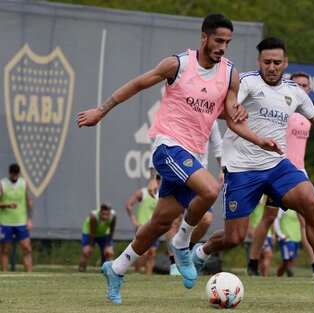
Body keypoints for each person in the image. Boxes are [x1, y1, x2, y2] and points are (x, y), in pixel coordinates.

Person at [77, 13, 281, 304]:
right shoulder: (178, 64)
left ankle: (117, 268)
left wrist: (258, 138)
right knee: (211, 189)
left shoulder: (230, 74)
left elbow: (232, 116)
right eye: (218, 40)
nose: (223, 47)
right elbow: (137, 84)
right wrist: (101, 110)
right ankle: (183, 242)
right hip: (168, 146)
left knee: (159, 221)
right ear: (204, 38)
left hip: (194, 154)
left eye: (228, 42)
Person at [191, 37, 314, 297]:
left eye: (277, 62)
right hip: (243, 169)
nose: (272, 67)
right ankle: (201, 251)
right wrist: (234, 110)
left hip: (277, 166)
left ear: (285, 63)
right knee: (234, 238)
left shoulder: (295, 92)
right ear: (259, 62)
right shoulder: (246, 82)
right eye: (267, 62)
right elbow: (223, 108)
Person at [247, 71, 314, 278]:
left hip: (299, 171)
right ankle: (253, 262)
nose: (301, 88)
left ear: (309, 89)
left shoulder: (309, 116)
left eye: (305, 85)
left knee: (307, 218)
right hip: (280, 170)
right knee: (268, 217)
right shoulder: (285, 110)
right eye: (296, 84)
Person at [149, 120, 224, 276]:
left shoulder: (211, 117)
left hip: (198, 177)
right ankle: (173, 264)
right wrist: (153, 178)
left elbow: (218, 146)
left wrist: (222, 169)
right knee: (171, 221)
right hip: (176, 169)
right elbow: (160, 142)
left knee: (206, 220)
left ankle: (184, 252)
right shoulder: (180, 111)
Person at [125, 175, 161, 274]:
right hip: (142, 227)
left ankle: (147, 278)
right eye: (154, 181)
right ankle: (137, 273)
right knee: (143, 253)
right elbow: (128, 205)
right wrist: (134, 220)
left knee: (152, 253)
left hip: (155, 228)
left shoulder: (161, 195)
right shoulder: (142, 193)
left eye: (158, 182)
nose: (156, 184)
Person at [0, 164, 33, 272]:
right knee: (4, 250)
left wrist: (30, 219)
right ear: (10, 173)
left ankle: (29, 275)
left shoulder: (23, 183)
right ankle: (4, 275)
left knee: (27, 249)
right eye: (13, 175)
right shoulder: (3, 184)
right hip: (6, 222)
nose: (15, 177)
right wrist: (7, 205)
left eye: (16, 175)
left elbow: (29, 202)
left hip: (21, 222)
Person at [78, 204, 116, 272]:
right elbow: (92, 232)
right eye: (103, 214)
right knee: (86, 252)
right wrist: (90, 245)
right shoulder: (93, 216)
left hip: (104, 233)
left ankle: (108, 272)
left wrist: (107, 246)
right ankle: (82, 269)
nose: (105, 216)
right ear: (100, 212)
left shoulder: (113, 216)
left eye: (107, 214)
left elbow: (111, 231)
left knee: (109, 253)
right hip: (90, 232)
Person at [246, 195, 273, 276]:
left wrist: (274, 233)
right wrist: (249, 228)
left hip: (268, 232)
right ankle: (263, 275)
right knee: (267, 253)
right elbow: (248, 213)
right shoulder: (256, 195)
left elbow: (271, 215)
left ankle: (260, 275)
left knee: (263, 255)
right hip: (256, 230)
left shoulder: (270, 194)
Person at [273, 209, 301, 277]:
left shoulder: (298, 207)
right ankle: (290, 277)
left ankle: (278, 276)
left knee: (289, 261)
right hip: (286, 239)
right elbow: (276, 219)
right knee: (288, 261)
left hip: (296, 238)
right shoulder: (283, 208)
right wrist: (280, 235)